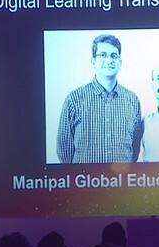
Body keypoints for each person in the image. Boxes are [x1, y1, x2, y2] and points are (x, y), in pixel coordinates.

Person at [57, 34, 142, 163]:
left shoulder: (132, 100)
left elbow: (134, 149)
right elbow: (64, 151)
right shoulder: (74, 99)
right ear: (93, 61)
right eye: (103, 55)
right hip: (84, 176)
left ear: (120, 62)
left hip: (122, 175)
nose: (109, 60)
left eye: (114, 56)